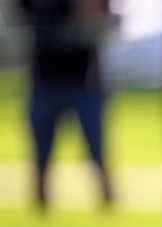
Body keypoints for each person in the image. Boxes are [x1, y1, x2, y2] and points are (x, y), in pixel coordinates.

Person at [17, 0, 115, 209]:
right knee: (41, 155)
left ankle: (109, 205)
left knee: (98, 151)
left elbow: (102, 13)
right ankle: (41, 208)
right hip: (45, 76)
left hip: (83, 78)